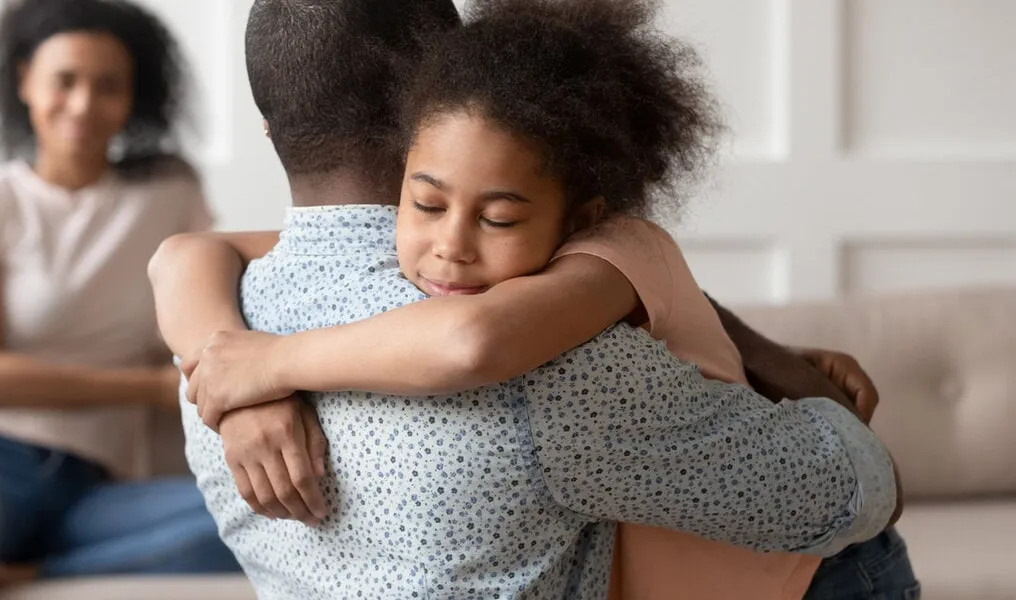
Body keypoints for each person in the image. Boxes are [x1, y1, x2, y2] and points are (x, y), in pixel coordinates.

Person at [153, 0, 918, 598]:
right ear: (428, 106)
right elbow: (850, 492)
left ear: (266, 124)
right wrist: (813, 401)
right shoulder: (545, 360)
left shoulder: (215, 352)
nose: (457, 243)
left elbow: (188, 255)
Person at [0, 1, 239, 598]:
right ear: (25, 80)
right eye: (65, 80)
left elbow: (212, 313)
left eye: (108, 86)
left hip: (94, 486)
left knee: (271, 517)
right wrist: (150, 389)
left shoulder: (170, 193)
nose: (83, 104)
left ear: (135, 96)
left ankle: (35, 572)